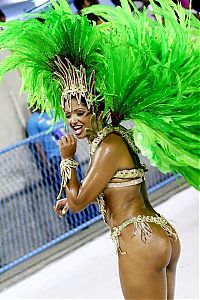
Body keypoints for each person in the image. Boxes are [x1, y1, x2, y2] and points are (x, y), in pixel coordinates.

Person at [0, 0, 199, 299]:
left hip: (138, 240)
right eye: (69, 114)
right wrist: (69, 194)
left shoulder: (108, 145)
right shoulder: (113, 139)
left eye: (80, 112)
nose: (73, 121)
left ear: (97, 108)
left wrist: (67, 161)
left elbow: (79, 200)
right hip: (155, 233)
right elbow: (102, 191)